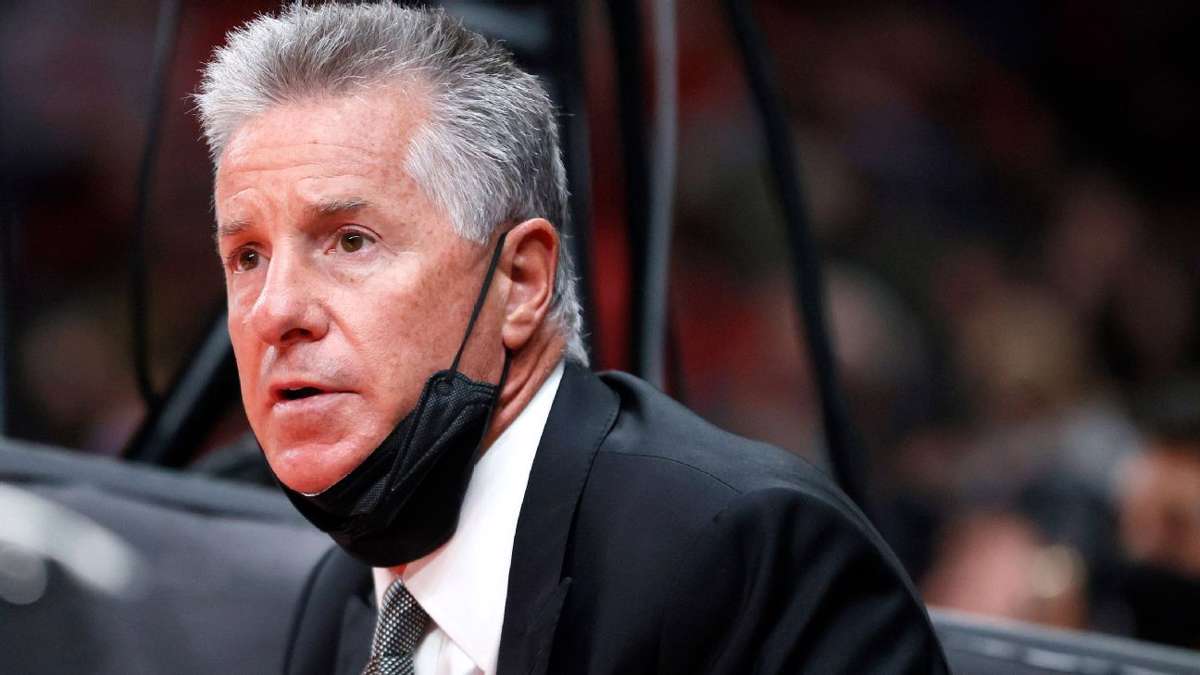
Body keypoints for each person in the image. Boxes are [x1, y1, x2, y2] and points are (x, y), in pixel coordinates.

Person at [195, 4, 947, 674]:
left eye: (351, 240)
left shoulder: (745, 554)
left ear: (520, 282)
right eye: (248, 256)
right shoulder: (344, 599)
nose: (274, 310)